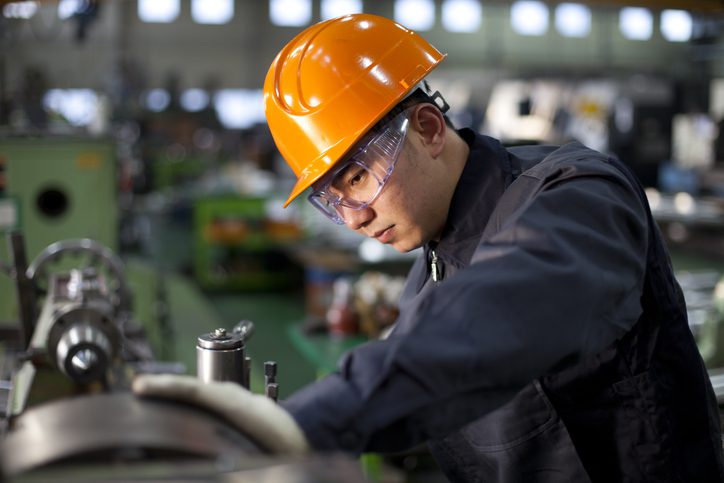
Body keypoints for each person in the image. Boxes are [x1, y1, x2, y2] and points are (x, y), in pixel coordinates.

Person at [134, 13, 724, 482]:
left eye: (358, 177)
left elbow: (497, 314)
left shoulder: (579, 193)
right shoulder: (426, 278)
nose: (354, 217)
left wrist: (307, 421)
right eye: (331, 199)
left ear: (428, 129)